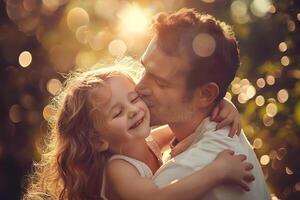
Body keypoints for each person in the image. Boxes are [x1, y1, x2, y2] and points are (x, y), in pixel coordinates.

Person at [23, 66, 254, 200]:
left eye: (133, 99)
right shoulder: (119, 169)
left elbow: (191, 119)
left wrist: (221, 104)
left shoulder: (149, 142)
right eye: (117, 112)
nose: (133, 111)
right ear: (98, 140)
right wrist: (217, 172)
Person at [136, 8, 270, 200]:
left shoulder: (188, 172)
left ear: (206, 94)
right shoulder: (207, 133)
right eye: (144, 70)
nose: (139, 88)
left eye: (160, 82)